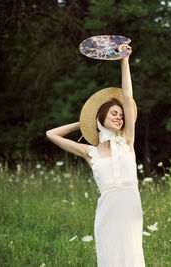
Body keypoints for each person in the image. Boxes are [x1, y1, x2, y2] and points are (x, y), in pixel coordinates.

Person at [46, 45, 145, 266]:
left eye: (121, 116)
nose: (120, 118)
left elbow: (128, 99)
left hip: (130, 210)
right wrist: (85, 123)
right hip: (107, 215)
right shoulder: (90, 152)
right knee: (110, 259)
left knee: (132, 259)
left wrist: (124, 60)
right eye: (114, 114)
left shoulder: (127, 142)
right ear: (102, 117)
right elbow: (51, 134)